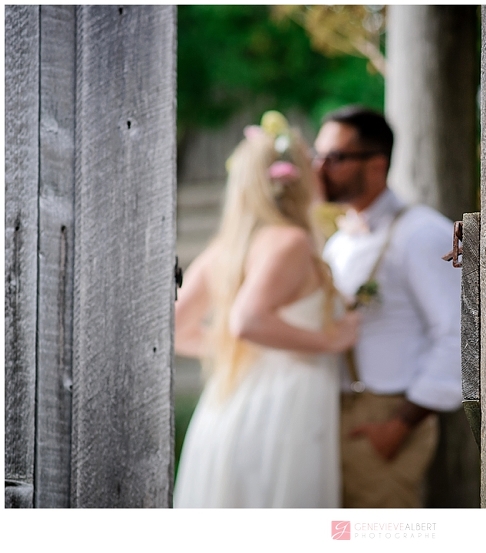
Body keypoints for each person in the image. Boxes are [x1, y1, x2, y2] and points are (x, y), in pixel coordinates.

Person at [173, 111, 359, 508]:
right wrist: (329, 340)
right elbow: (248, 320)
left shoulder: (228, 246)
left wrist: (249, 350)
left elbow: (175, 329)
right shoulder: (289, 241)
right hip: (281, 412)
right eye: (312, 161)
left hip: (230, 407)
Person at [314, 106, 462, 508]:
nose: (319, 168)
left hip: (387, 416)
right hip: (334, 416)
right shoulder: (338, 243)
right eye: (317, 156)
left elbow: (457, 335)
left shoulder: (422, 233)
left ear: (376, 165)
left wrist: (399, 426)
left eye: (334, 158)